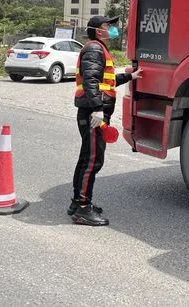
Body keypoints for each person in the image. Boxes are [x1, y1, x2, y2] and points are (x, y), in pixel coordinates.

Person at [69, 15, 142, 226]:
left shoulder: (98, 48)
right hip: (93, 114)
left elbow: (105, 81)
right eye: (107, 26)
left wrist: (130, 77)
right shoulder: (94, 49)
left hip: (92, 112)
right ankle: (83, 208)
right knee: (93, 160)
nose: (111, 29)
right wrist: (98, 110)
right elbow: (91, 81)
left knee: (86, 158)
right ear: (96, 30)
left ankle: (77, 203)